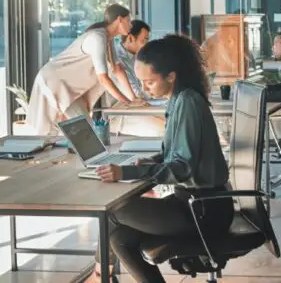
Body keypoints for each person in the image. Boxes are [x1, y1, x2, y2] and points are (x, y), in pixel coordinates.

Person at [88, 34, 232, 283]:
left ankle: (99, 276)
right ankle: (102, 275)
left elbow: (182, 168)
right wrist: (151, 163)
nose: (144, 89)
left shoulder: (187, 102)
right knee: (119, 239)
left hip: (202, 211)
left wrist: (127, 173)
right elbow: (175, 156)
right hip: (194, 204)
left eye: (149, 82)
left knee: (110, 211)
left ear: (171, 76)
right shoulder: (179, 99)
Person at [27, 4, 138, 135]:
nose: (131, 25)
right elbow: (103, 79)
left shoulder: (108, 39)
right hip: (55, 82)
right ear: (119, 19)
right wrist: (127, 102)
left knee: (83, 132)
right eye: (128, 21)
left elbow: (117, 69)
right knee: (81, 132)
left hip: (69, 88)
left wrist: (133, 99)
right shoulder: (97, 38)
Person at [107, 20, 165, 137]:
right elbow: (136, 96)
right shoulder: (118, 61)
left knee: (178, 120)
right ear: (130, 38)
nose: (147, 44)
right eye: (144, 40)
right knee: (164, 129)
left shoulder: (136, 57)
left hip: (140, 106)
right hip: (123, 114)